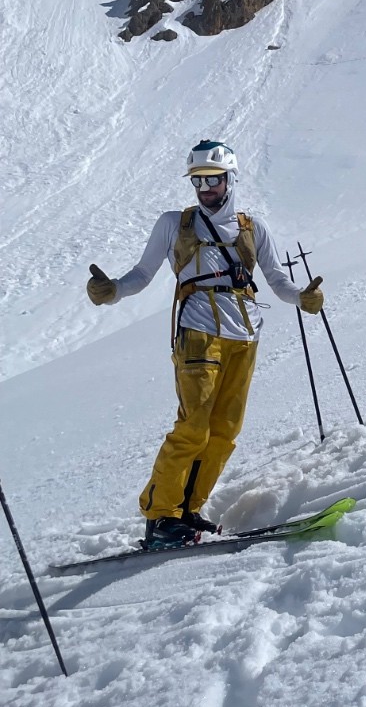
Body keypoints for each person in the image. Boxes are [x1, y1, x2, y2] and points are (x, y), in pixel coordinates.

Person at [86, 140, 325, 549]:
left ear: (230, 179)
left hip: (245, 334)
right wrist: (112, 291)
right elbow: (143, 273)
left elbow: (276, 280)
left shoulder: (253, 227)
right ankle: (161, 515)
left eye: (212, 179)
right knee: (193, 425)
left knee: (224, 430)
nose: (204, 188)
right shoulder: (174, 224)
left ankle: (187, 509)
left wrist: (302, 297)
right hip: (198, 331)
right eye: (197, 180)